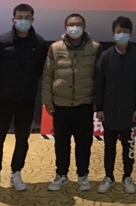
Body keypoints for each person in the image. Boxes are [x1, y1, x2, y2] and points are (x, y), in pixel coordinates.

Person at [0, 3, 48, 196]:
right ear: (13, 19)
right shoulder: (1, 42)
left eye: (27, 18)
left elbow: (40, 70)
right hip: (2, 100)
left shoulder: (39, 43)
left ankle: (16, 173)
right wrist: (4, 86)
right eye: (20, 17)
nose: (23, 21)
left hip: (26, 100)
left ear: (32, 20)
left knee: (22, 140)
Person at [42, 13, 102, 192]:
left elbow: (100, 77)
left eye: (78, 24)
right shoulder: (55, 48)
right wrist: (47, 101)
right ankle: (61, 174)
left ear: (84, 27)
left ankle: (83, 175)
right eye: (71, 25)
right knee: (61, 143)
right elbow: (48, 76)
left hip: (84, 103)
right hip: (60, 104)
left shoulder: (95, 47)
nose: (74, 28)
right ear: (65, 28)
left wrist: (98, 101)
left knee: (84, 143)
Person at [94, 16, 136, 195]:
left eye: (125, 32)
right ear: (113, 34)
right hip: (109, 111)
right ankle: (109, 176)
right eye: (119, 32)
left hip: (129, 112)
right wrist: (99, 107)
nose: (122, 34)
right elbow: (99, 83)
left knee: (128, 147)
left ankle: (127, 176)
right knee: (109, 147)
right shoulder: (106, 56)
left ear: (130, 33)